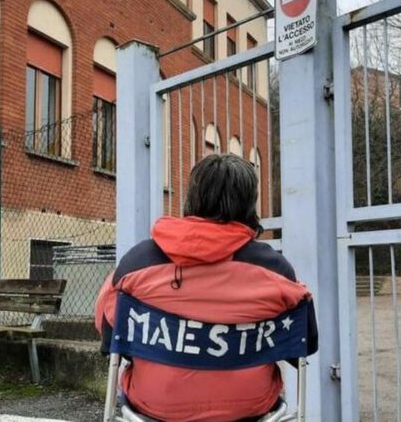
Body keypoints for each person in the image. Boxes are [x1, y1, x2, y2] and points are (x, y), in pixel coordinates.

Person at [95, 154, 316, 421]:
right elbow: (303, 345)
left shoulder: (136, 263)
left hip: (156, 407)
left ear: (193, 197)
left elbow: (112, 338)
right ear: (249, 202)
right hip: (249, 409)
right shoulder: (277, 271)